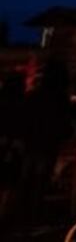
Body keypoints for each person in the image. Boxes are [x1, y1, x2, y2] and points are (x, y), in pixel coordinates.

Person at [22, 59, 75, 220]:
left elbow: (26, 118)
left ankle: (21, 214)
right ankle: (33, 215)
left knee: (27, 178)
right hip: (48, 143)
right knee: (40, 179)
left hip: (31, 141)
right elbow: (66, 124)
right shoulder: (61, 98)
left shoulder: (35, 95)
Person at [0, 73, 27, 223]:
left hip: (6, 146)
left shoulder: (3, 102)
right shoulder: (24, 104)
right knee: (9, 182)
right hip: (14, 148)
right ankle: (3, 212)